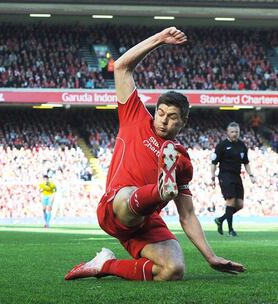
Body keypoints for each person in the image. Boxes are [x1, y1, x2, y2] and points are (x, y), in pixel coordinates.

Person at [65, 27, 244, 282]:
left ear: (183, 122)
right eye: (160, 113)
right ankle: (161, 191)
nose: (163, 121)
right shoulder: (135, 117)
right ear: (155, 110)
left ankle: (104, 265)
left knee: (173, 270)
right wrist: (159, 40)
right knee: (127, 196)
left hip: (144, 222)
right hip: (115, 208)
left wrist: (210, 256)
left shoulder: (182, 161)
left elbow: (188, 214)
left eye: (172, 118)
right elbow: (122, 67)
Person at [211, 122, 256, 237]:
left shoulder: (242, 145)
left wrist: (251, 175)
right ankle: (231, 230)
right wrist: (212, 177)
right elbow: (214, 162)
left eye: (236, 132)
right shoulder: (222, 145)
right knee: (230, 202)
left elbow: (246, 162)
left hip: (237, 176)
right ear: (228, 132)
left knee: (239, 204)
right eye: (232, 132)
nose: (235, 134)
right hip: (225, 175)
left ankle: (220, 220)